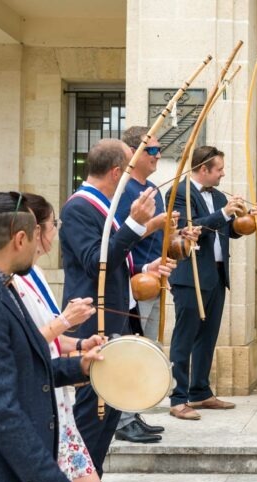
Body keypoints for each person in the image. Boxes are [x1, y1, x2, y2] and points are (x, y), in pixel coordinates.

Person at [0, 191, 102, 482]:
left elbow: (20, 366)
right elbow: (0, 410)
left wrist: (79, 366)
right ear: (21, 238)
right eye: (37, 235)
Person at [60, 138, 173, 482]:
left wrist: (143, 268)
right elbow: (94, 262)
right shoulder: (79, 207)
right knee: (92, 418)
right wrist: (135, 223)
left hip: (114, 320)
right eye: (128, 168)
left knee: (105, 416)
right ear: (115, 173)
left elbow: (113, 262)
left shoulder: (105, 206)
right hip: (92, 324)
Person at [13, 193, 103, 482]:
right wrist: (66, 321)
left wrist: (79, 344)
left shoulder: (34, 273)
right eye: (54, 224)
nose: (56, 231)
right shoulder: (12, 281)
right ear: (36, 231)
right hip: (39, 398)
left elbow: (48, 339)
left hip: (59, 402)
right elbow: (24, 345)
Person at [166, 146, 257, 420]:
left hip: (217, 275)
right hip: (190, 275)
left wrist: (248, 219)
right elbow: (188, 227)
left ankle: (200, 392)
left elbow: (229, 232)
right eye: (218, 169)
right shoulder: (178, 192)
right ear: (204, 169)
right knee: (185, 338)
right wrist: (225, 213)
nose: (223, 173)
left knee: (207, 338)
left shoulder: (218, 195)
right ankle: (178, 398)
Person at [115, 126, 167, 442]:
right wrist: (155, 223)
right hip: (135, 281)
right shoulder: (123, 191)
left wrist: (174, 236)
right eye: (152, 150)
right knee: (131, 350)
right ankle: (122, 420)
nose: (158, 155)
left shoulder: (154, 190)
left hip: (156, 277)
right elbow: (124, 235)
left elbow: (157, 237)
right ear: (134, 154)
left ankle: (133, 413)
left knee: (146, 351)